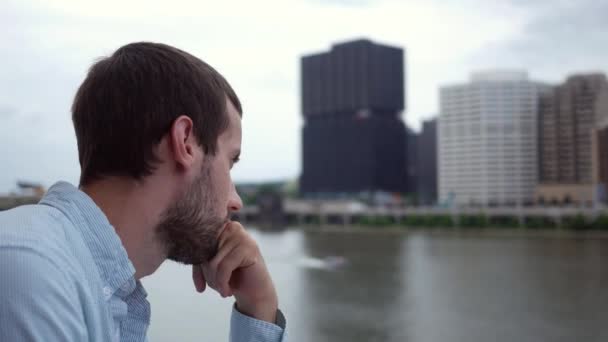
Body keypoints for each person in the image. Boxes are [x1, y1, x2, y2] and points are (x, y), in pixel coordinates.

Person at [0, 42, 287, 342]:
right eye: (229, 163)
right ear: (185, 141)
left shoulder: (90, 287)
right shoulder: (31, 276)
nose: (235, 201)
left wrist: (259, 309)